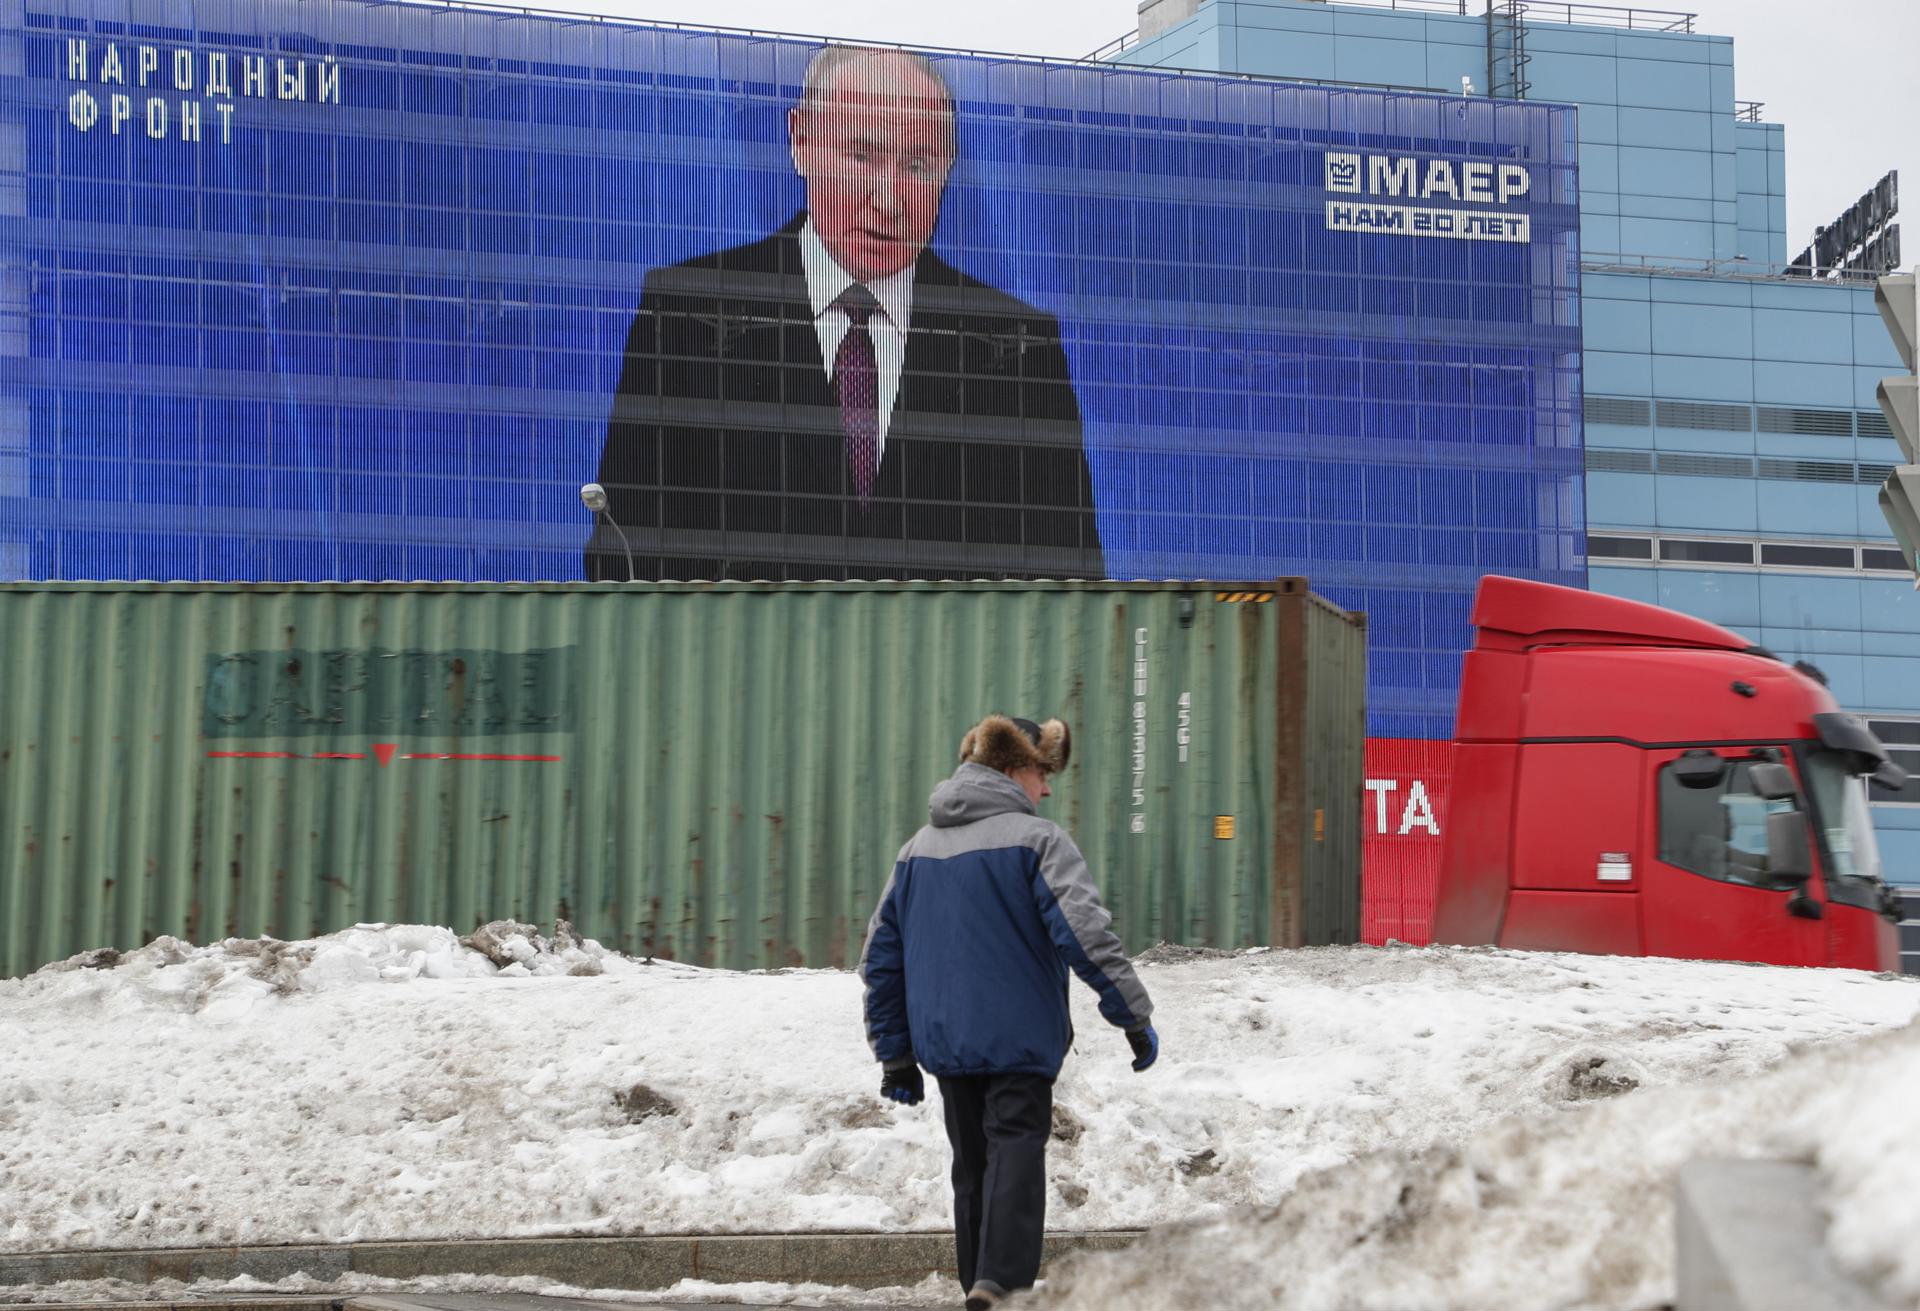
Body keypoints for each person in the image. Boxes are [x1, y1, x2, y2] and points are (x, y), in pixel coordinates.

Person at [586, 45, 1102, 583]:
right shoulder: (688, 312)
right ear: (801, 141)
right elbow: (625, 561)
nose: (887, 200)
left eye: (917, 165)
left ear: (948, 168)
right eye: (861, 156)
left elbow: (1073, 579)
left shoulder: (1018, 343)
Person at [859, 714, 1156, 1310]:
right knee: (1017, 1147)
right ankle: (1002, 1285)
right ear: (1017, 768)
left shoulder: (917, 850)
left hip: (945, 1043)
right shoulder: (1038, 841)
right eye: (1043, 773)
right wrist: (1130, 1012)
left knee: (972, 1166)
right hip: (1019, 1037)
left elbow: (880, 958)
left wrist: (895, 1055)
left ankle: (979, 1286)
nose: (1047, 789)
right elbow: (1084, 932)